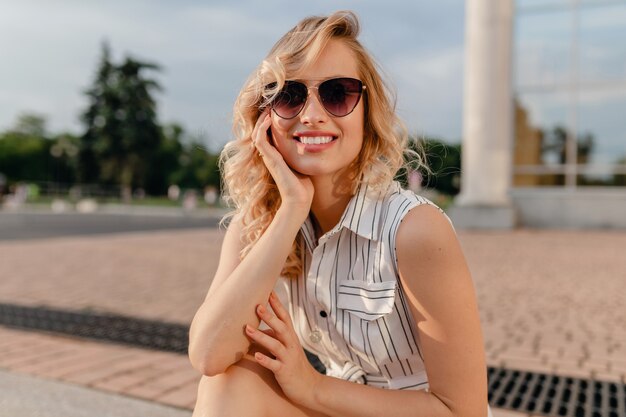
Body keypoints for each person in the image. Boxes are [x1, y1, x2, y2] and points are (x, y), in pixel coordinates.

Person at [188, 10, 493, 417]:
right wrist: (292, 210)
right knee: (229, 382)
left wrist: (314, 389)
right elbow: (209, 355)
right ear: (266, 119)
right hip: (341, 406)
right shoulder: (261, 222)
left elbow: (462, 412)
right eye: (289, 95)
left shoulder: (414, 230)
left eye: (338, 93)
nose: (312, 114)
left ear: (367, 114)